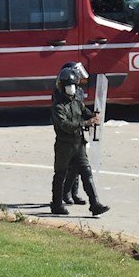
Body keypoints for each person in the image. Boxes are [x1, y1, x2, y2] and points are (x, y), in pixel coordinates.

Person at [50, 63, 107, 216]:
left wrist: (93, 115)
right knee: (60, 174)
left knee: (86, 172)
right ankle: (56, 205)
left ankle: (95, 204)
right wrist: (85, 123)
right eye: (69, 85)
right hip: (64, 145)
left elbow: (84, 111)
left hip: (78, 143)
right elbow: (65, 125)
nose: (72, 88)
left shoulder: (76, 101)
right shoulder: (58, 106)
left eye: (74, 85)